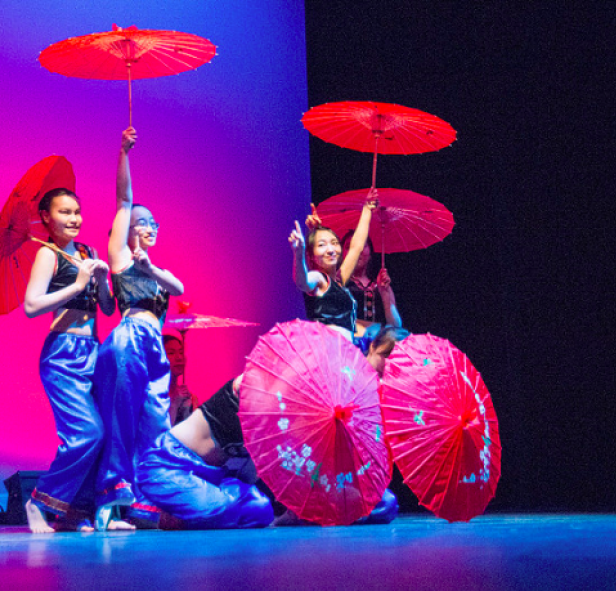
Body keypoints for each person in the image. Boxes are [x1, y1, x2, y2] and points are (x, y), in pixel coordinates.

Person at [136, 327, 400, 529]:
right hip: (169, 466)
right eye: (387, 356)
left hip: (223, 481)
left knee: (382, 502)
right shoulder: (257, 387)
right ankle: (162, 512)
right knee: (240, 507)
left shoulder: (305, 415)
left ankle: (190, 508)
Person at [93, 127, 184, 531]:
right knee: (122, 419)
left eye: (153, 223)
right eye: (141, 222)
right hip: (130, 338)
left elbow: (179, 288)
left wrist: (153, 269)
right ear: (126, 230)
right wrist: (123, 153)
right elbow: (124, 199)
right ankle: (109, 502)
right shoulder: (121, 260)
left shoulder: (153, 269)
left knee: (155, 423)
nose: (149, 227)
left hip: (154, 350)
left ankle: (145, 502)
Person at [22, 186, 116, 533]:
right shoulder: (48, 255)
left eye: (76, 211)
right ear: (46, 218)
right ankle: (39, 501)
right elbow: (32, 306)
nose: (74, 218)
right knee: (86, 433)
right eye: (64, 212)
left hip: (94, 349)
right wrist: (77, 284)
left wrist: (102, 280)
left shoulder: (87, 251)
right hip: (63, 354)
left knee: (103, 433)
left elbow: (106, 309)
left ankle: (75, 511)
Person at [289, 192, 376, 348]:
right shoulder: (319, 279)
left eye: (334, 243)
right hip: (326, 350)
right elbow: (303, 282)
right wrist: (299, 253)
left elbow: (356, 246)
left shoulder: (339, 279)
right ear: (312, 255)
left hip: (345, 350)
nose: (331, 249)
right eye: (322, 245)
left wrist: (367, 209)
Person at [163, 332, 196, 426]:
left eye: (181, 352)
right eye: (171, 353)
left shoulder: (189, 397)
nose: (179, 358)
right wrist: (174, 404)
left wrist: (187, 410)